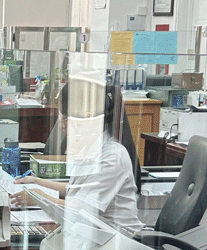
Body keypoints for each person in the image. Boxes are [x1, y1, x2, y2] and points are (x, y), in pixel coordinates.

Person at [11, 84, 144, 231]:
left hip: (118, 243)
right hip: (94, 236)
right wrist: (36, 182)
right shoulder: (90, 147)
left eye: (64, 118)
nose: (61, 125)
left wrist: (39, 198)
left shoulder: (113, 157)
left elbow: (80, 209)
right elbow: (75, 190)